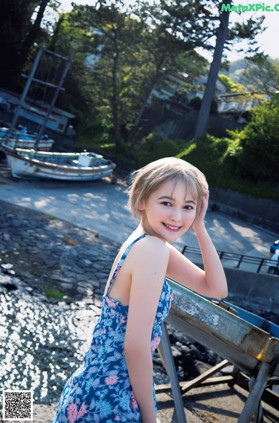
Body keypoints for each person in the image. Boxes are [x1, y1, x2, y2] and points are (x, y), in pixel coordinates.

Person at [51, 157, 228, 423]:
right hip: (111, 396)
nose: (177, 216)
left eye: (188, 207)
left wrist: (200, 227)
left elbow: (215, 288)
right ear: (142, 200)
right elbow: (136, 345)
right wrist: (150, 417)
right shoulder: (152, 250)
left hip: (98, 384)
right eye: (167, 203)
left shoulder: (150, 243)